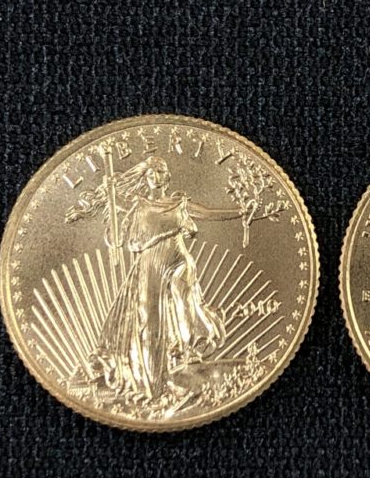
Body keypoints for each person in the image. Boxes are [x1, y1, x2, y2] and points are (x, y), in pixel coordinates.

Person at [66, 155, 244, 403]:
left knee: (186, 304)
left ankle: (186, 353)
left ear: (167, 177)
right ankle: (153, 382)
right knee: (150, 321)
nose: (156, 177)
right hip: (150, 265)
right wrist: (111, 208)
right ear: (145, 178)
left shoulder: (179, 203)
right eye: (151, 173)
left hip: (179, 260)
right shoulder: (139, 206)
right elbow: (118, 239)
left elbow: (209, 213)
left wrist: (243, 211)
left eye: (161, 172)